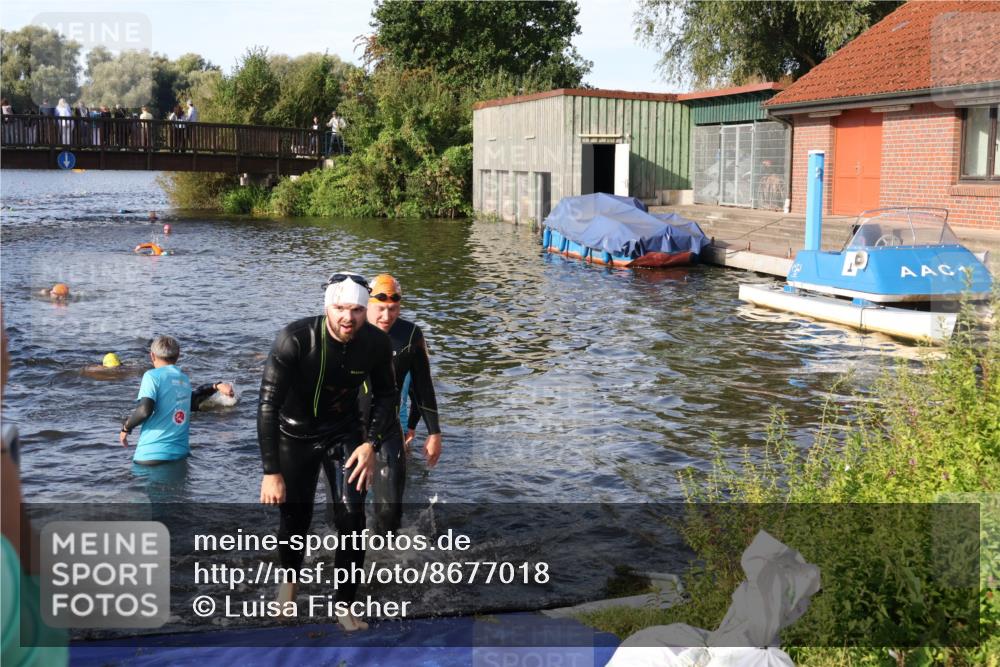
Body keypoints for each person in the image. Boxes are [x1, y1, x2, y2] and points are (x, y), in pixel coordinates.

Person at [257, 272, 396, 631]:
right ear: (326, 307)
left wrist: (372, 444)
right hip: (294, 434)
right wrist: (270, 471)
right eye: (339, 309)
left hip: (344, 433)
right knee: (295, 518)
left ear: (366, 311)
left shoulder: (376, 345)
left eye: (355, 310)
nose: (347, 318)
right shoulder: (294, 339)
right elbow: (267, 407)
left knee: (352, 518)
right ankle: (288, 589)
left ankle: (345, 605)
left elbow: (386, 396)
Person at [361, 274, 442, 535]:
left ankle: (390, 565)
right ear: (367, 304)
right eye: (380, 309)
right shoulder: (349, 327)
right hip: (347, 429)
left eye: (393, 309)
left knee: (390, 514)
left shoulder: (409, 335)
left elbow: (423, 386)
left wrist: (434, 433)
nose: (386, 316)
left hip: (388, 428)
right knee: (342, 512)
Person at [119, 336, 234, 464]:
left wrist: (126, 428)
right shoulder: (184, 379)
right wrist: (215, 386)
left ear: (152, 355)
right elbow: (192, 403)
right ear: (178, 355)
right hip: (180, 455)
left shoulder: (151, 376)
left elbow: (144, 410)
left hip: (151, 455)